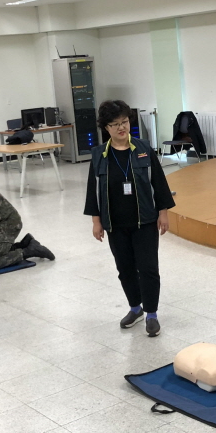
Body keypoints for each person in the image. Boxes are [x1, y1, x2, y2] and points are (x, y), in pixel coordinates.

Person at [84, 100, 175, 337]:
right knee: (125, 269)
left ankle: (152, 313)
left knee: (148, 268)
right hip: (115, 223)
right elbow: (93, 191)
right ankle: (135, 308)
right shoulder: (99, 155)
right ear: (106, 128)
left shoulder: (144, 149)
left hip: (145, 221)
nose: (121, 128)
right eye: (115, 124)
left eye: (124, 122)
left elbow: (159, 183)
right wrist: (96, 221)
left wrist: (163, 212)